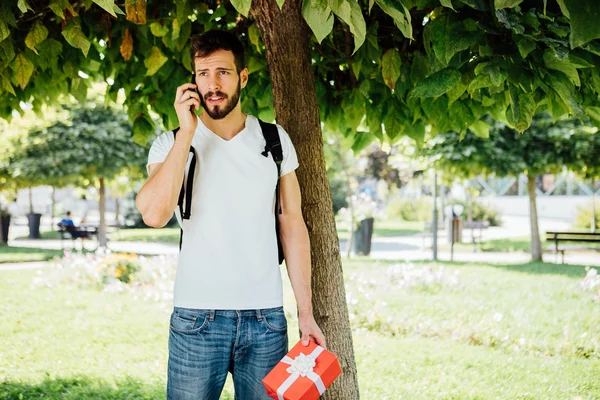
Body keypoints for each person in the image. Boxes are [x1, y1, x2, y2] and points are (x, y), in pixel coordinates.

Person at [135, 30, 325, 400]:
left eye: (222, 72)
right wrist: (186, 133)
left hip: (265, 319)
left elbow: (293, 225)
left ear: (243, 76)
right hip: (195, 319)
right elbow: (155, 214)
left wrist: (306, 312)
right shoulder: (171, 142)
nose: (212, 84)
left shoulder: (274, 140)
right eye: (203, 74)